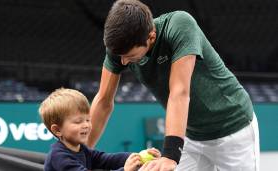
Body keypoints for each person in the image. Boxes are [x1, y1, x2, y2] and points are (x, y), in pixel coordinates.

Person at [87, 0, 260, 171]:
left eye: (129, 55)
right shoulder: (120, 47)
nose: (123, 61)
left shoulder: (179, 25)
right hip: (190, 136)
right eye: (120, 56)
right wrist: (80, 153)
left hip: (233, 130)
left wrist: (170, 155)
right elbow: (103, 100)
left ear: (151, 37)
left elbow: (179, 92)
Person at [39, 88, 161, 171]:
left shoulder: (82, 149)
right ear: (57, 130)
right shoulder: (59, 156)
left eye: (87, 120)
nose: (86, 125)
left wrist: (137, 157)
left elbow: (105, 159)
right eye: (78, 121)